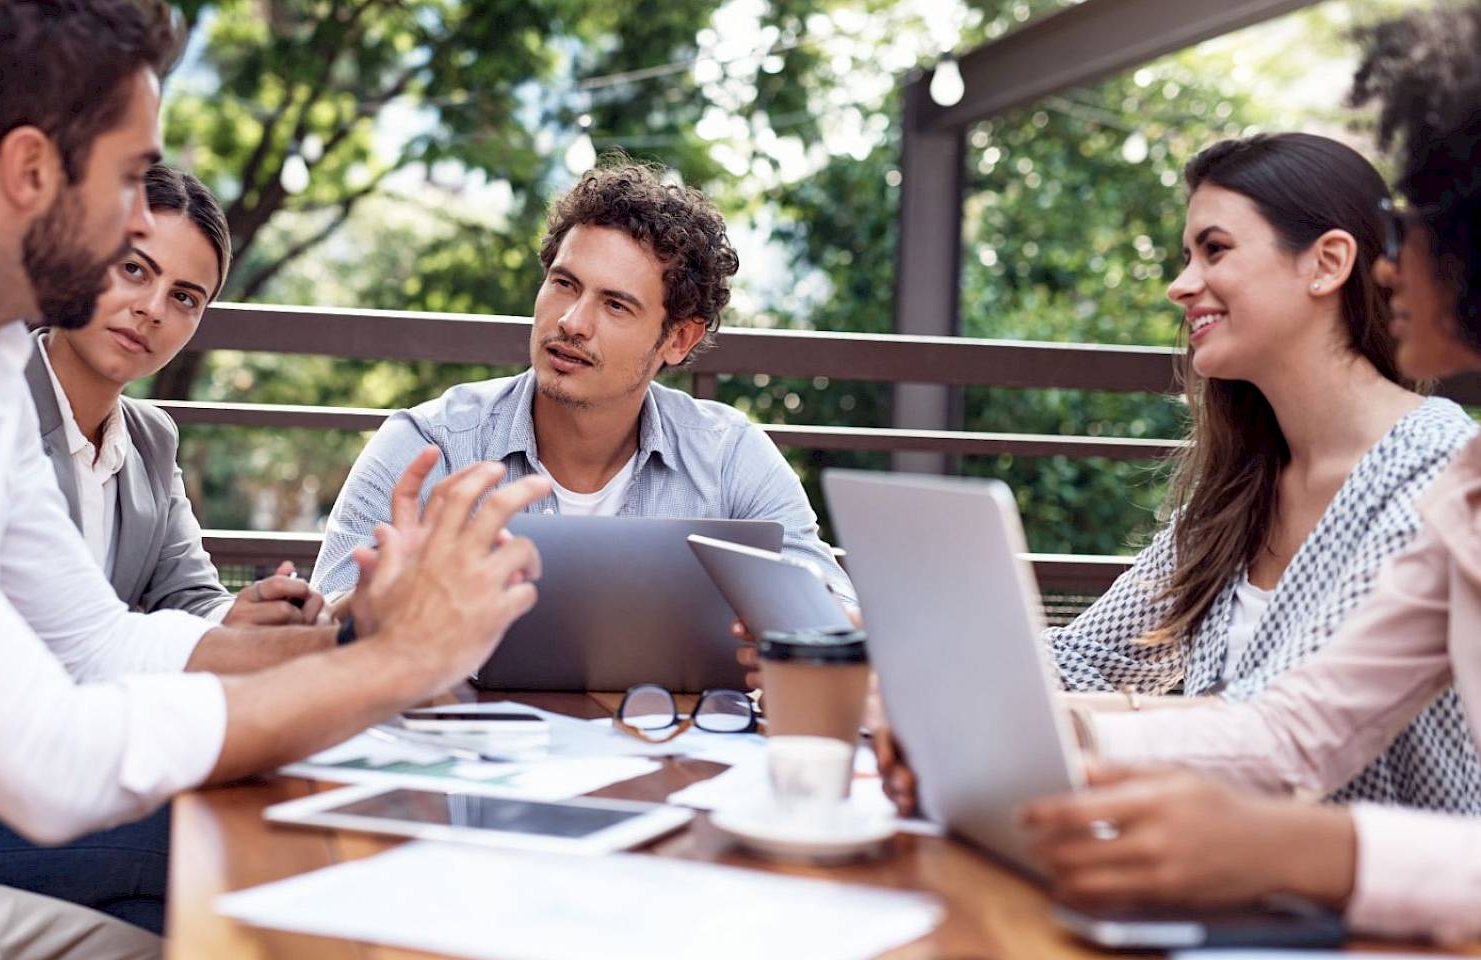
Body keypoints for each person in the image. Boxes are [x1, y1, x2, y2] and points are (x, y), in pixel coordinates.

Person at [0, 2, 547, 958]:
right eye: (133, 180)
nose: (142, 218)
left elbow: (100, 643)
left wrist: (363, 632)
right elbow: (49, 763)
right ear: (29, 171)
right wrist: (396, 664)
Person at [1022, 4, 1481, 943]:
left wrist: (1305, 854)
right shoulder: (1473, 485)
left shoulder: (1434, 469)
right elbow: (1293, 730)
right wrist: (1046, 739)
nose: (1394, 262)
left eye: (1414, 224)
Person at [876, 132, 1481, 818]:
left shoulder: (1438, 472)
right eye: (1185, 256)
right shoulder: (1243, 484)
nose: (1180, 284)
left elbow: (1279, 727)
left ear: (1328, 263)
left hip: (1383, 909)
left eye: (1215, 250)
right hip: (1231, 880)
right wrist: (903, 658)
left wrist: (1005, 726)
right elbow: (1093, 659)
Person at [0, 165, 317, 934]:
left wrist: (252, 615)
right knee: (205, 836)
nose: (150, 310)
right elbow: (54, 642)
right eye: (135, 269)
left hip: (65, 767)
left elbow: (190, 597)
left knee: (163, 909)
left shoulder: (151, 440)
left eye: (185, 298)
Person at [311, 157, 853, 605]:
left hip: (668, 732)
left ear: (678, 340)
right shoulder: (430, 444)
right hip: (463, 732)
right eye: (564, 284)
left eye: (615, 305)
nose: (572, 322)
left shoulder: (728, 453)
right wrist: (383, 604)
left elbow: (829, 601)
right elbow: (322, 617)